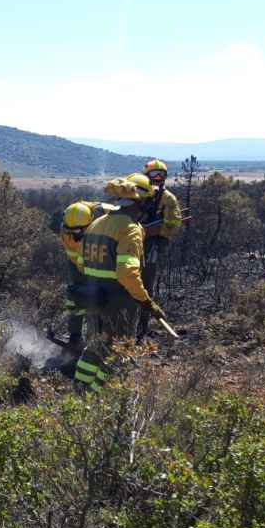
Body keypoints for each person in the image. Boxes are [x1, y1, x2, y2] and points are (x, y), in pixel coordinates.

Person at [73, 175, 165, 392]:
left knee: (95, 347)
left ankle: (79, 391)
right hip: (119, 304)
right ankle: (99, 398)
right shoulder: (130, 229)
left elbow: (80, 263)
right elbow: (127, 273)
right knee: (119, 352)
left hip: (93, 298)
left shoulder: (96, 223)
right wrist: (146, 301)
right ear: (140, 202)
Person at [136, 160, 182, 340]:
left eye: (160, 175)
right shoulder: (137, 193)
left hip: (152, 246)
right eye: (153, 175)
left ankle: (141, 328)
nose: (157, 178)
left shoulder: (168, 198)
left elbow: (175, 224)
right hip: (130, 242)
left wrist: (157, 230)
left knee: (146, 287)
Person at [59, 200, 115, 346]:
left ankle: (100, 336)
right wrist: (84, 271)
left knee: (100, 297)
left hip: (100, 259)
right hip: (78, 261)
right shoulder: (67, 226)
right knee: (76, 295)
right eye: (69, 230)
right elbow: (73, 253)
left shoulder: (109, 215)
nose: (72, 234)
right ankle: (74, 335)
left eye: (77, 231)